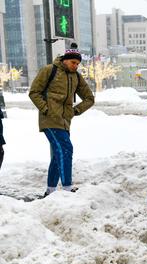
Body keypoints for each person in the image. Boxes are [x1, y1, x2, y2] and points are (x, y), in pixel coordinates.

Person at [29, 43, 95, 197]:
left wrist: (76, 110)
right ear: (65, 60)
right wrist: (46, 109)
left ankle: (50, 191)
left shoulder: (76, 77)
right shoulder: (49, 70)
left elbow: (89, 98)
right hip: (50, 120)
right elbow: (34, 92)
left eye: (78, 64)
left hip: (65, 122)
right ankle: (67, 188)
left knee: (58, 155)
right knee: (66, 149)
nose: (76, 66)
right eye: (73, 62)